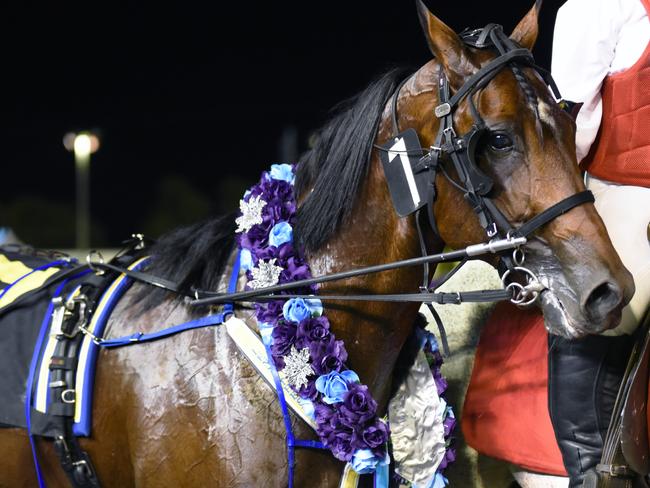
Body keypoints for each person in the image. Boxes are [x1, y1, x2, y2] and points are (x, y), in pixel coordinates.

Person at [547, 0, 650, 485]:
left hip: (632, 191)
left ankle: (593, 472)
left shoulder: (597, 7)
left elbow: (573, 125)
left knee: (595, 316)